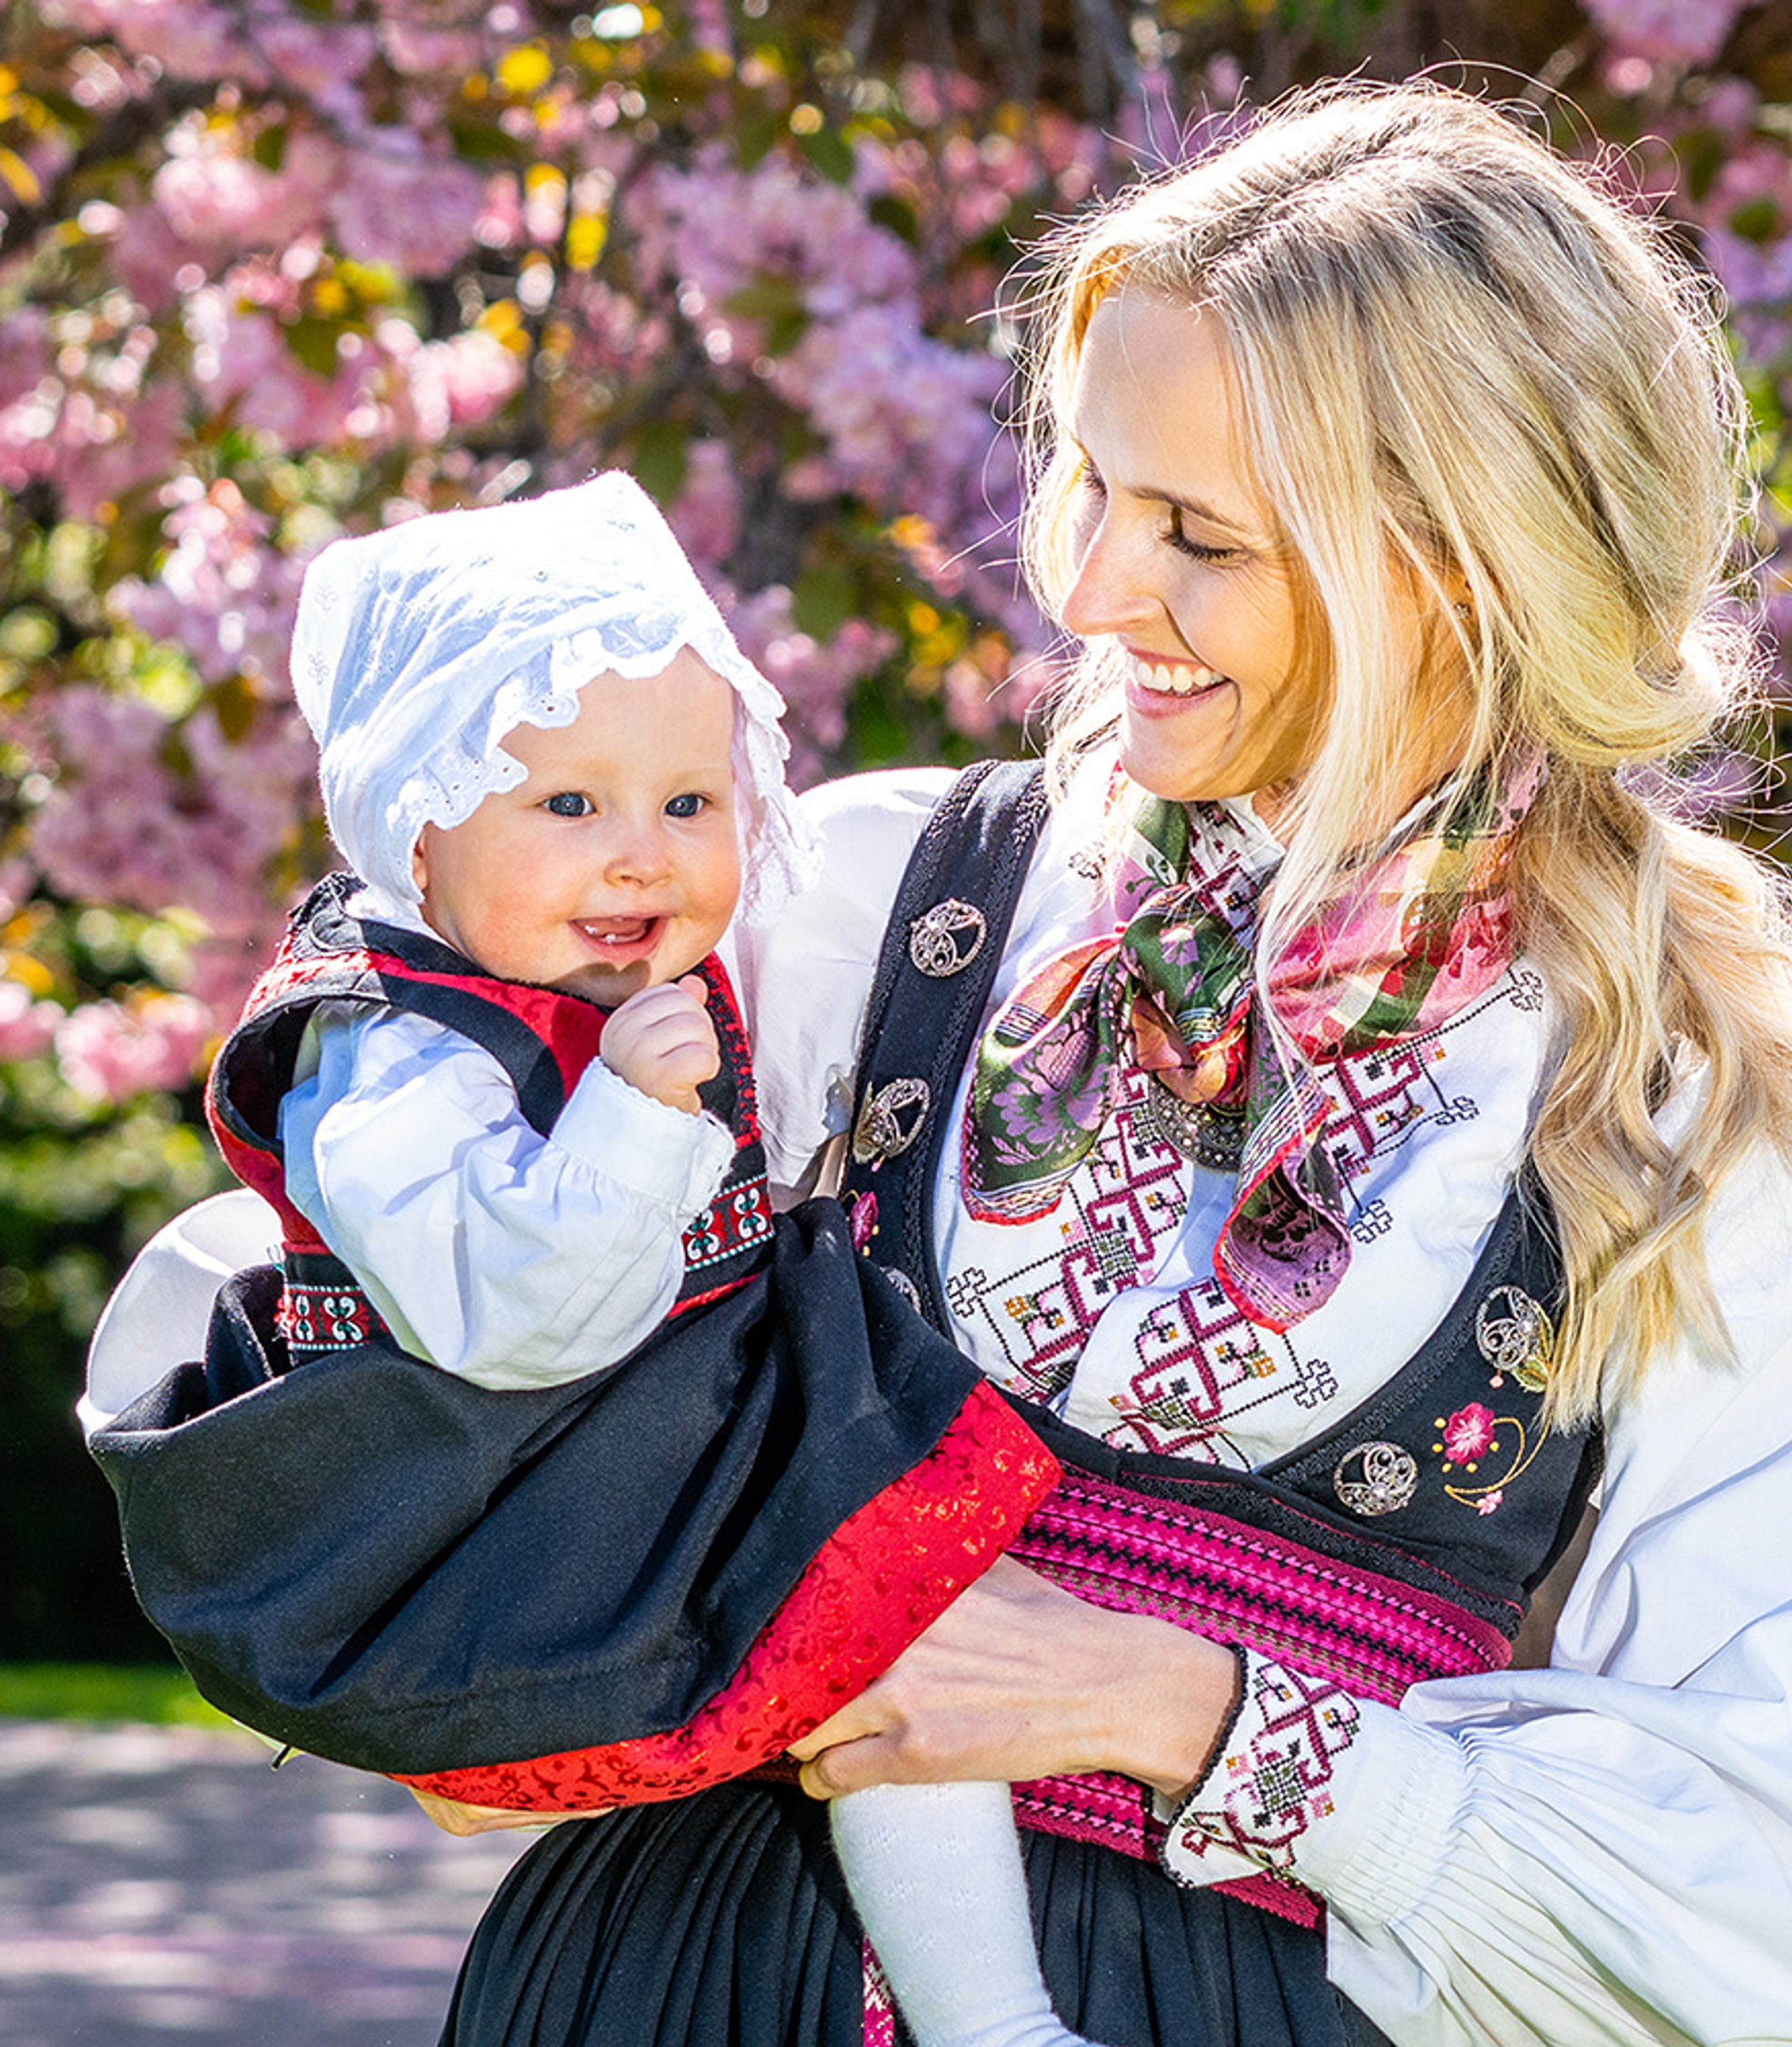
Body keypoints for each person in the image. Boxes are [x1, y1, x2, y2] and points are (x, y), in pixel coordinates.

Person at [92, 79, 1792, 2047]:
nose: (1090, 589)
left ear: (1454, 572)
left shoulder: (1684, 1104)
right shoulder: (857, 901)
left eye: (1196, 533)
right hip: (667, 1982)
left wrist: (1178, 1708)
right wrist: (493, 1620)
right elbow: (400, 1234)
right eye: (1093, 486)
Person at [99, 473, 1112, 2047]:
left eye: (689, 805)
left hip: (641, 1448)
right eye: (570, 807)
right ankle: (990, 2020)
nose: (641, 857)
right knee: (884, 1610)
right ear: (415, 825)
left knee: (907, 1606)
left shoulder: (604, 987)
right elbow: (519, 1321)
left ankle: (990, 2011)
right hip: (507, 1499)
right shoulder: (385, 1058)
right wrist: (635, 1121)